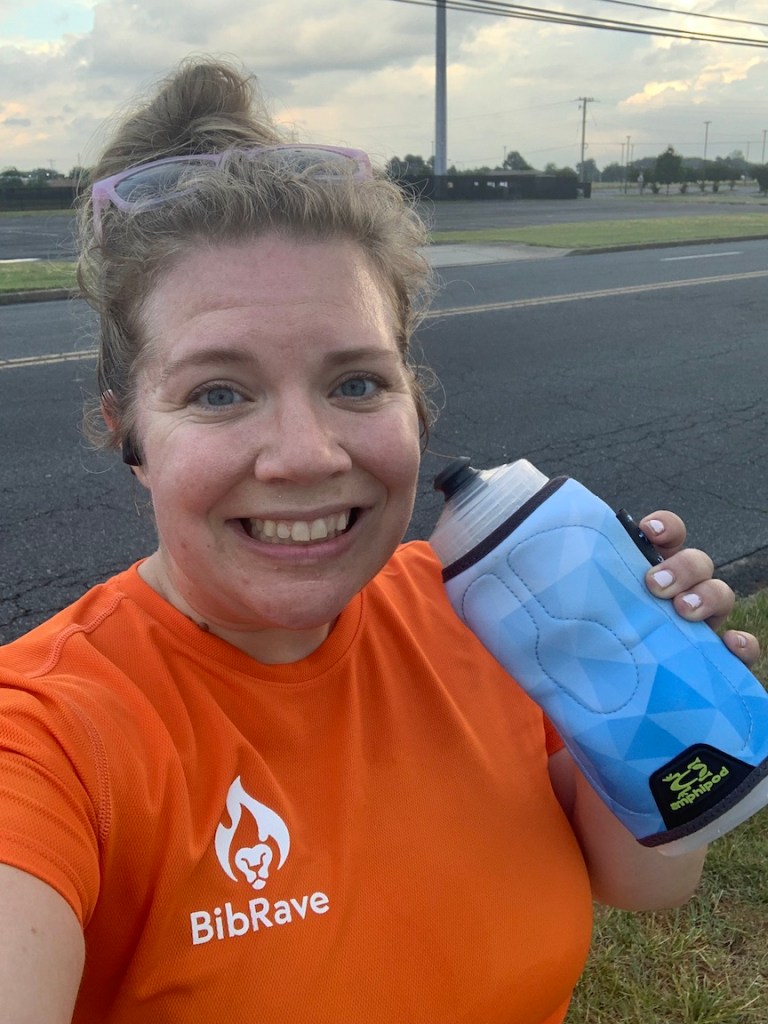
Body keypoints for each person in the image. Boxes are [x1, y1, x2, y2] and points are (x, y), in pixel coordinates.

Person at [0, 58, 759, 1024]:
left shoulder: (480, 608)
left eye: (356, 383)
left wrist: (653, 700)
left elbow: (646, 885)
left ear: (414, 397)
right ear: (129, 434)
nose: (306, 455)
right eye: (219, 392)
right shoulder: (44, 738)